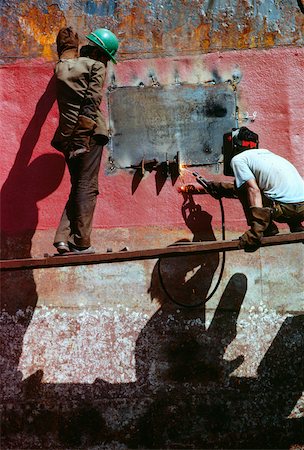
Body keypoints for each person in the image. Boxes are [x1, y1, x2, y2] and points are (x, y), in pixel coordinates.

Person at [51, 26, 119, 254]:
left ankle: (62, 238)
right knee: (87, 187)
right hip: (88, 136)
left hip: (66, 137)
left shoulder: (61, 67)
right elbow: (91, 103)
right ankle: (81, 242)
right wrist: (82, 139)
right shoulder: (96, 67)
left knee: (78, 186)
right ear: (102, 54)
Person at [201, 127, 304, 252]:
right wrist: (218, 188)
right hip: (300, 211)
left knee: (248, 189)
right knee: (264, 188)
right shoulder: (269, 155)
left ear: (232, 146)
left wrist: (256, 232)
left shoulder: (239, 159)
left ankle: (264, 229)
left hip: (284, 211)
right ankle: (296, 226)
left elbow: (252, 190)